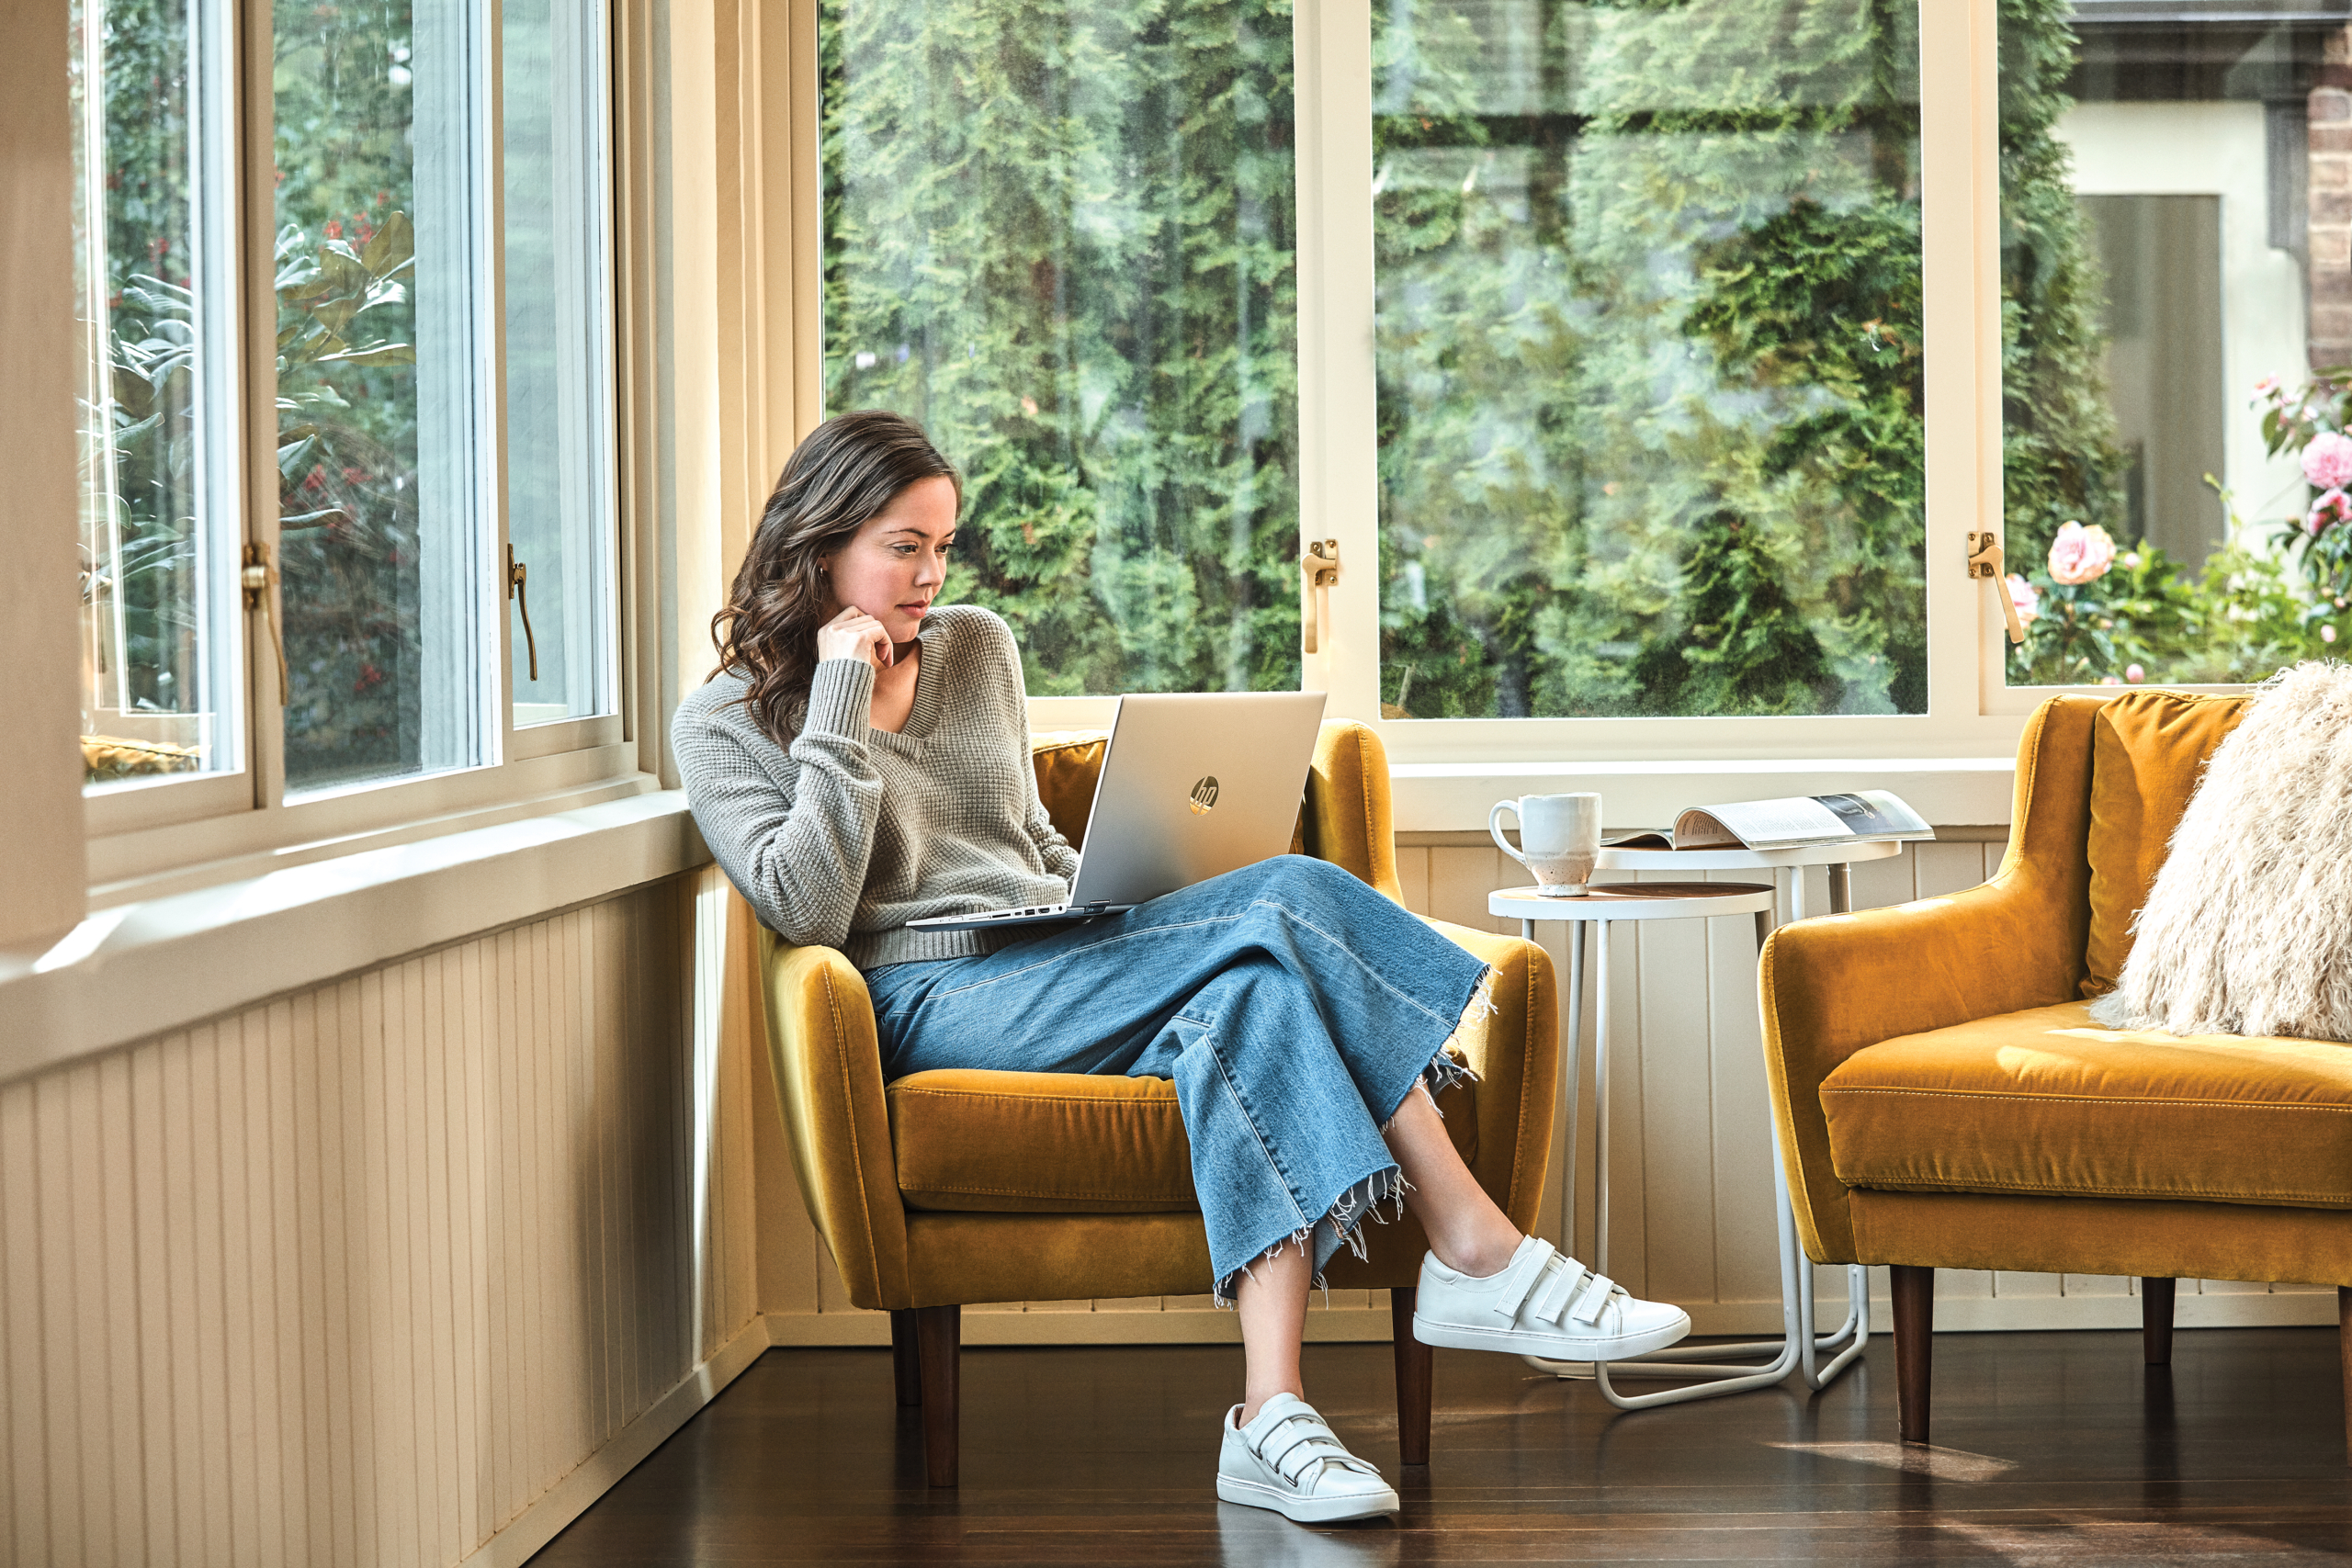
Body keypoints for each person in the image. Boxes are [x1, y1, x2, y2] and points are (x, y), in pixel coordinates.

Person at [672, 410, 1691, 1524]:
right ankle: (1476, 1244)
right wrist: (836, 705)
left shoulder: (975, 648)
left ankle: (1268, 1416)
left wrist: (1109, 889)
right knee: (1286, 893)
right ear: (821, 545)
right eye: (902, 547)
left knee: (1254, 993)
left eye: (944, 545)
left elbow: (1024, 842)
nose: (929, 576)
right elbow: (809, 910)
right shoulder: (723, 720)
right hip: (929, 994)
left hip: (1056, 951)